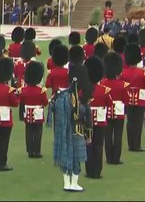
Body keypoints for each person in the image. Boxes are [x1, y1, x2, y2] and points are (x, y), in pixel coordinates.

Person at [53, 51, 92, 192]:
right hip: (77, 132)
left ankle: (66, 183)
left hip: (64, 132)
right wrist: (89, 135)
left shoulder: (62, 97)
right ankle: (74, 184)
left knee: (65, 157)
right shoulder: (82, 100)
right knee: (76, 159)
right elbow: (88, 119)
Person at [0, 57, 19, 172]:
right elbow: (15, 103)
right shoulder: (9, 90)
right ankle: (2, 163)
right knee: (3, 141)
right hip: (5, 118)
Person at [84, 56, 109, 179]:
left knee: (88, 145)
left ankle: (89, 170)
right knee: (98, 145)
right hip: (100, 121)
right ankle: (97, 171)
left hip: (86, 122)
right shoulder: (104, 90)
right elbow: (109, 104)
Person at [100, 52, 127, 165]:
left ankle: (109, 157)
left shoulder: (102, 83)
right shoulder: (123, 84)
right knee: (118, 134)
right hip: (119, 111)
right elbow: (126, 99)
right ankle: (116, 158)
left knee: (107, 134)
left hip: (106, 111)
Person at [121, 43, 145, 152]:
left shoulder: (123, 72)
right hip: (140, 100)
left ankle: (131, 144)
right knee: (138, 122)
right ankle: (137, 144)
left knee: (130, 121)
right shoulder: (143, 72)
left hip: (127, 99)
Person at [19, 61, 47, 158]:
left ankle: (30, 150)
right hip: (38, 113)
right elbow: (45, 102)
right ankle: (37, 151)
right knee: (38, 132)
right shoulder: (41, 91)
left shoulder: (24, 90)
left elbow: (21, 101)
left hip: (28, 112)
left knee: (29, 131)